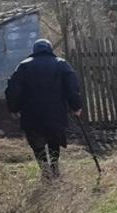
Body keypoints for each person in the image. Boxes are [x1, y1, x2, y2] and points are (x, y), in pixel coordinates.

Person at [5, 39, 83, 179]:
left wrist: (14, 108)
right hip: (56, 115)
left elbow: (13, 90)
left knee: (37, 145)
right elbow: (72, 88)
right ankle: (54, 167)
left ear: (34, 51)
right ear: (50, 49)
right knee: (54, 142)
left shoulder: (23, 66)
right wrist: (76, 106)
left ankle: (45, 171)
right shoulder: (61, 64)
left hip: (32, 116)